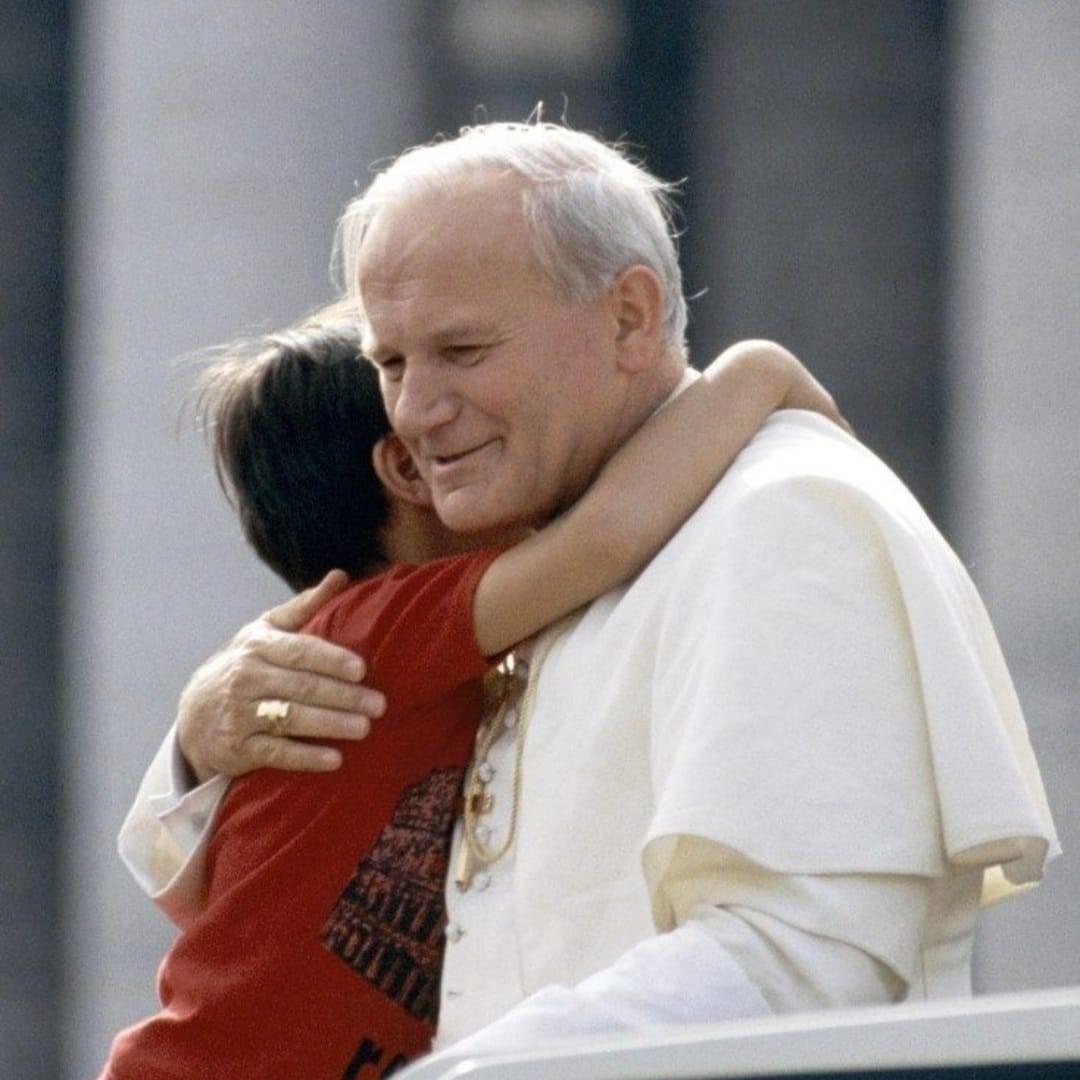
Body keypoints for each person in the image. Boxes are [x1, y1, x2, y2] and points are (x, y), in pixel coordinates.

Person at [121, 123, 1059, 1070]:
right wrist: (201, 737)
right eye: (392, 364)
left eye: (464, 349)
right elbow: (272, 894)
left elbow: (799, 963)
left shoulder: (785, 517)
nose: (415, 412)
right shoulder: (533, 542)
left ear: (629, 317)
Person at [102, 314, 845, 1078]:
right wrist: (761, 371)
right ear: (409, 468)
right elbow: (607, 534)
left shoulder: (401, 647)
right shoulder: (375, 633)